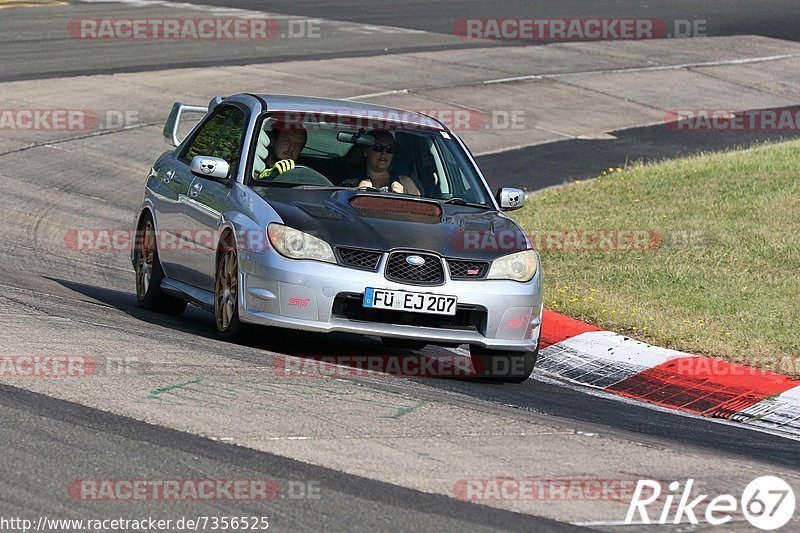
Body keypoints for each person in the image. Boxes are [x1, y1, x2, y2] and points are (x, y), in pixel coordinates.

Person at [356, 131, 420, 195]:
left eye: (389, 149)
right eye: (378, 147)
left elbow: (419, 204)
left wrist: (402, 196)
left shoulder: (405, 182)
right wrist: (358, 193)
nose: (384, 153)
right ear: (365, 151)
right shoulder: (350, 183)